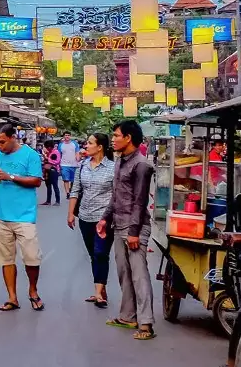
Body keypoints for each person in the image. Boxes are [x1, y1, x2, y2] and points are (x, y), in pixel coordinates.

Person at [99, 120, 156, 339]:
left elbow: (139, 201)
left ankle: (146, 324)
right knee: (124, 274)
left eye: (116, 135)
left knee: (139, 275)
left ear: (128, 138)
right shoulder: (120, 161)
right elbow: (117, 195)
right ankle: (128, 316)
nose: (112, 139)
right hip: (119, 224)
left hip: (135, 227)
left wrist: (133, 232)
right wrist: (105, 218)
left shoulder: (141, 165)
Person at [0, 122, 44, 311]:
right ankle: (12, 297)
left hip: (24, 216)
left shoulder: (30, 155)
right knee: (6, 259)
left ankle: (33, 290)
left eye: (2, 142)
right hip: (0, 215)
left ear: (13, 137)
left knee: (31, 257)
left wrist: (9, 177)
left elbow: (36, 180)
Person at [68, 132, 115, 309]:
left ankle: (97, 293)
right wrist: (71, 213)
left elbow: (117, 195)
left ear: (100, 147)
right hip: (85, 217)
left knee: (101, 253)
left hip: (104, 219)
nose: (86, 146)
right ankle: (101, 289)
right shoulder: (82, 166)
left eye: (89, 143)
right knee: (93, 254)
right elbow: (75, 191)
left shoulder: (113, 168)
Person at [58, 131, 80, 197]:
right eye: (66, 135)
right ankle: (67, 193)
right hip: (64, 164)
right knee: (66, 179)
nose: (67, 136)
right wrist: (58, 164)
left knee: (73, 180)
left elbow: (77, 152)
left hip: (74, 164)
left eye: (68, 135)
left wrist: (78, 159)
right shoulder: (61, 145)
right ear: (63, 136)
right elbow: (59, 155)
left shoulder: (74, 144)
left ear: (70, 136)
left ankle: (71, 190)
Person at [42, 140, 62, 206]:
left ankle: (57, 201)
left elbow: (57, 161)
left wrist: (48, 159)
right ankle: (48, 201)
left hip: (53, 170)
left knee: (55, 185)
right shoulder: (49, 152)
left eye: (47, 147)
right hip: (47, 170)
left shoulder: (56, 152)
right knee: (48, 186)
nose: (46, 148)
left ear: (50, 147)